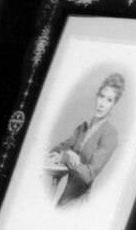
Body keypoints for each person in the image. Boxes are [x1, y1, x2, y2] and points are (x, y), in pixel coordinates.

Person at [45, 72, 126, 206]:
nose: (102, 104)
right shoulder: (83, 127)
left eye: (109, 100)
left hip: (77, 199)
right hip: (61, 189)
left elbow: (89, 174)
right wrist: (66, 153)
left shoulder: (110, 134)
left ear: (114, 104)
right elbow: (57, 149)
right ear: (97, 96)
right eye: (101, 96)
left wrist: (65, 157)